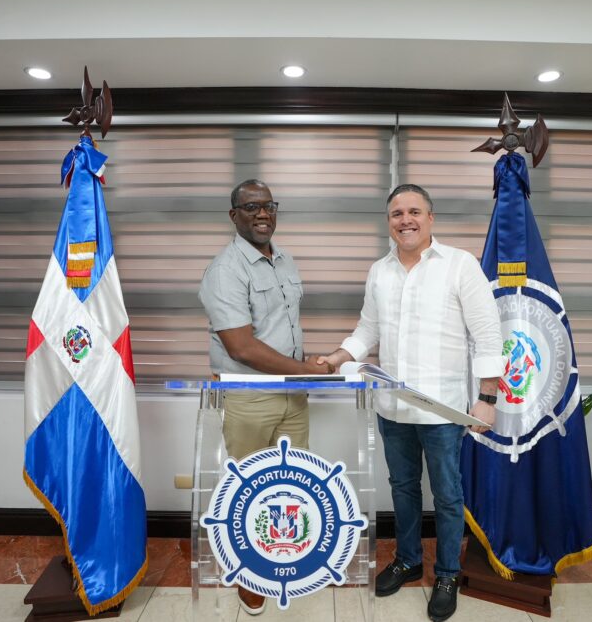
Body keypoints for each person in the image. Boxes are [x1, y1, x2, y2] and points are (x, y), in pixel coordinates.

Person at [318, 184, 503, 622]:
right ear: (389, 222)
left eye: (414, 211)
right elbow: (367, 330)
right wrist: (339, 357)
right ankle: (407, 559)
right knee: (402, 488)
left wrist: (487, 399)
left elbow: (489, 336)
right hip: (392, 407)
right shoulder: (379, 271)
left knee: (447, 494)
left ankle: (447, 573)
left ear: (431, 218)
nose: (406, 220)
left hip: (442, 409)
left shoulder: (460, 265)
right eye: (397, 213)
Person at [198, 178, 331, 615]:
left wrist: (304, 364)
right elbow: (241, 347)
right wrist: (305, 371)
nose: (261, 213)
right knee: (247, 487)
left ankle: (280, 557)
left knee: (291, 484)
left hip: (293, 393)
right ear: (233, 215)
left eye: (268, 206)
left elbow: (280, 329)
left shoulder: (285, 259)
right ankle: (247, 574)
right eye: (250, 206)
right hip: (250, 396)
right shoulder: (225, 269)